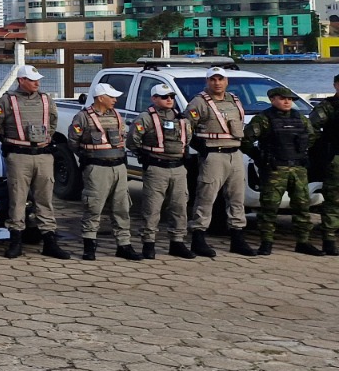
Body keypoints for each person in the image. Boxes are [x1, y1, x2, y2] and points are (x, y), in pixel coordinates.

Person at [0, 65, 70, 260]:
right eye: (32, 80)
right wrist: (13, 142)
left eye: (37, 80)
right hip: (19, 156)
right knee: (17, 199)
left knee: (45, 199)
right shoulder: (7, 101)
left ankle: (49, 241)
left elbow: (52, 123)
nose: (37, 83)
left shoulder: (46, 99)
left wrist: (44, 139)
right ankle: (16, 240)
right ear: (21, 81)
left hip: (43, 155)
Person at [184, 66, 255, 257]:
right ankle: (198, 238)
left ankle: (237, 239)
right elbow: (185, 129)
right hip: (213, 155)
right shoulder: (198, 103)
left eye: (220, 79)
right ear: (207, 81)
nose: (217, 83)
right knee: (206, 196)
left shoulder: (234, 100)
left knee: (237, 198)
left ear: (226, 81)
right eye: (213, 79)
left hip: (235, 153)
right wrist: (201, 149)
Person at [242, 87, 321, 256]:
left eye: (290, 99)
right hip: (274, 169)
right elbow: (246, 140)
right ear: (272, 99)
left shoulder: (300, 118)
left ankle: (303, 242)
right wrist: (260, 157)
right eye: (283, 98)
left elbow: (311, 137)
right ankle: (266, 243)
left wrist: (301, 152)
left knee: (302, 206)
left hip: (298, 168)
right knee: (269, 207)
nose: (287, 102)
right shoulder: (263, 119)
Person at [69, 82, 138, 261]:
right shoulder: (83, 117)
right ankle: (89, 245)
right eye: (112, 97)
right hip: (97, 168)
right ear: (101, 98)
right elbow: (73, 142)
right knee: (93, 206)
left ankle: (124, 245)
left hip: (118, 167)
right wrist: (89, 158)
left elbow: (122, 138)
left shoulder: (116, 115)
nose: (115, 100)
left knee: (122, 207)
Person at [129, 85, 195, 260]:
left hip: (178, 168)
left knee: (179, 207)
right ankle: (149, 243)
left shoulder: (182, 119)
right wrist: (145, 157)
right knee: (152, 208)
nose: (169, 99)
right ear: (154, 98)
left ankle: (177, 242)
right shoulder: (145, 118)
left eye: (171, 96)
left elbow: (187, 140)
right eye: (164, 96)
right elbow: (132, 141)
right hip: (156, 168)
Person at [309, 73, 339, 256]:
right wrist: (323, 146)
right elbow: (310, 128)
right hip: (336, 157)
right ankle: (329, 239)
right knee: (334, 200)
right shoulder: (327, 107)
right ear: (335, 85)